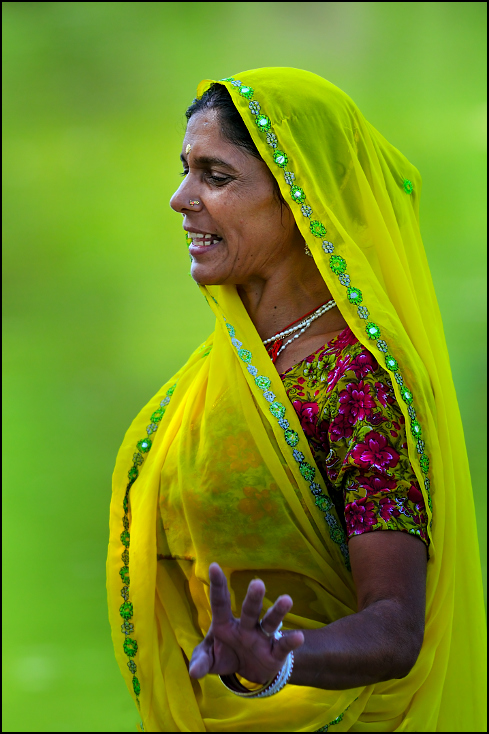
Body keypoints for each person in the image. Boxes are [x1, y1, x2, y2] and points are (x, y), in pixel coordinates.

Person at [107, 68, 486, 732]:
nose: (180, 198)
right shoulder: (230, 369)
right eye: (185, 170)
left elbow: (394, 628)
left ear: (299, 200)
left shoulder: (355, 385)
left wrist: (278, 655)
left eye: (215, 176)